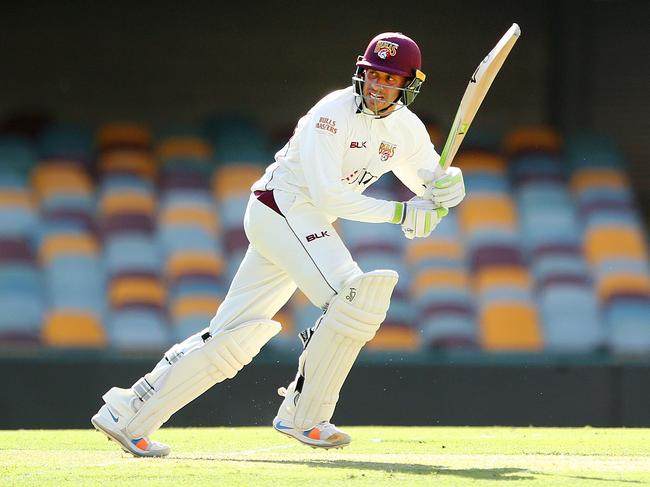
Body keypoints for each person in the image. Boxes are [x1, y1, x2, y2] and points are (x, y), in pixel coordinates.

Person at [91, 31, 466, 457]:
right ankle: (304, 415)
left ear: (407, 85)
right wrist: (402, 212)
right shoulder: (332, 113)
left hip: (300, 221)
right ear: (361, 72)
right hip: (281, 207)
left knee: (233, 336)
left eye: (390, 79)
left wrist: (448, 189)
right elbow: (327, 196)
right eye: (374, 75)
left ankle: (129, 413)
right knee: (355, 297)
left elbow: (428, 183)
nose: (379, 86)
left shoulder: (407, 129)